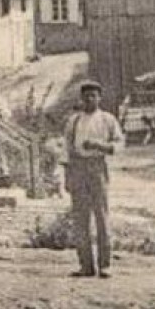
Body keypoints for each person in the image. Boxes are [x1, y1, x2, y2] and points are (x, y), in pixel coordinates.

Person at [64, 80, 124, 278]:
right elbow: (67, 150)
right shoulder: (74, 121)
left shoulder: (107, 119)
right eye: (86, 96)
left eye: (93, 96)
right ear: (81, 99)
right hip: (78, 168)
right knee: (80, 219)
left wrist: (99, 145)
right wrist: (68, 176)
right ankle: (86, 265)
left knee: (101, 216)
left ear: (100, 98)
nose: (89, 100)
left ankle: (105, 264)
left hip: (97, 167)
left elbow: (119, 144)